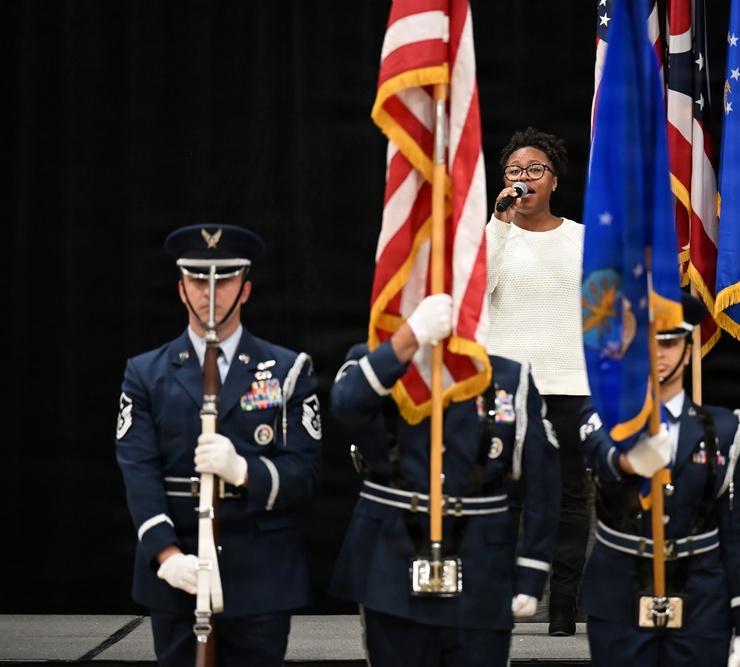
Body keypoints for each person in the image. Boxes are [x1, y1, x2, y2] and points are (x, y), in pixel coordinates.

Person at [115, 224, 323, 666]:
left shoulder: (287, 370)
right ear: (180, 288)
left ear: (245, 289)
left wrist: (244, 471)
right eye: (198, 279)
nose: (211, 291)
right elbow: (138, 468)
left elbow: (305, 473)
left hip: (261, 573)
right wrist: (165, 554)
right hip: (178, 568)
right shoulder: (145, 373)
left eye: (225, 279)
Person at [328, 293, 561, 667]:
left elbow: (543, 485)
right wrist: (407, 339)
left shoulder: (508, 378)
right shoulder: (376, 364)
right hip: (391, 560)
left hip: (481, 569)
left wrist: (532, 570)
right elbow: (345, 404)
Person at [578, 293, 740, 667]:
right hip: (619, 594)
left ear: (688, 352)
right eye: (648, 343)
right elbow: (596, 448)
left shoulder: (723, 428)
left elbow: (737, 533)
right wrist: (628, 461)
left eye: (670, 343)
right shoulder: (605, 413)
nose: (659, 354)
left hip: (701, 600)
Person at [486, 126, 591, 636]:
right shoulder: (491, 233)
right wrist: (499, 223)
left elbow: (603, 316)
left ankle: (563, 609)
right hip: (505, 386)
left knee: (571, 499)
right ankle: (499, 605)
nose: (523, 179)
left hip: (570, 383)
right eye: (514, 172)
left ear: (553, 181)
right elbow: (474, 291)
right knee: (504, 498)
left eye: (534, 171)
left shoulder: (582, 239)